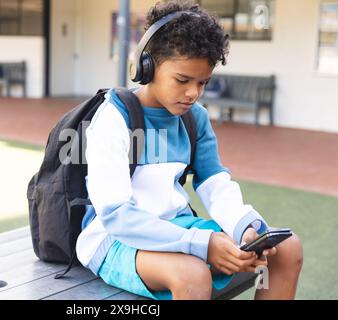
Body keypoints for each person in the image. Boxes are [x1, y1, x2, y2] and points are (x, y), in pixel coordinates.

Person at [75, 0, 303, 300]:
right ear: (147, 66)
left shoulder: (195, 118)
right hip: (116, 238)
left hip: (177, 228)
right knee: (192, 276)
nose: (193, 93)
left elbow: (214, 184)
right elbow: (117, 215)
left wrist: (246, 230)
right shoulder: (114, 119)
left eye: (203, 82)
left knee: (287, 249)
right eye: (182, 80)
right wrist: (202, 243)